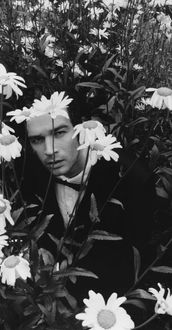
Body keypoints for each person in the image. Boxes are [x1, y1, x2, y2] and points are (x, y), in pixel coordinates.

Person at [19, 92, 157, 303]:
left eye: (59, 133)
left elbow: (142, 260)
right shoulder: (30, 169)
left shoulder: (131, 180)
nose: (49, 151)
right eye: (37, 140)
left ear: (82, 128)